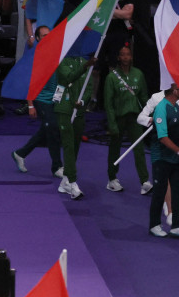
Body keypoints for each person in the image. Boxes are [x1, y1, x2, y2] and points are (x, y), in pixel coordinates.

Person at [11, 27, 63, 177]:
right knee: (52, 128)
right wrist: (30, 105)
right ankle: (57, 167)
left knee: (47, 130)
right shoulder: (35, 57)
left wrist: (59, 98)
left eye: (49, 35)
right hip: (40, 99)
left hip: (54, 99)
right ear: (38, 39)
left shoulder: (57, 54)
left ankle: (20, 154)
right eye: (44, 36)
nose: (47, 37)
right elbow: (30, 82)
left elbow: (60, 79)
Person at [105, 44, 151, 192]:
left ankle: (144, 181)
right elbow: (108, 103)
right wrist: (112, 124)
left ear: (131, 57)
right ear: (118, 57)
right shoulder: (111, 77)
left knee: (138, 148)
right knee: (115, 149)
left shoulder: (138, 74)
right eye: (122, 54)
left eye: (128, 54)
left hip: (135, 118)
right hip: (118, 118)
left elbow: (144, 97)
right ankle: (112, 179)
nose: (125, 57)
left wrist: (150, 116)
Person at [52, 51, 95, 200]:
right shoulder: (62, 61)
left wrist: (82, 102)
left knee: (75, 145)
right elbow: (68, 77)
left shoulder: (83, 61)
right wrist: (85, 66)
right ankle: (72, 181)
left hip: (79, 110)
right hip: (64, 108)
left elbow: (89, 86)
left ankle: (65, 180)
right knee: (69, 145)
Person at [151, 84, 179, 237]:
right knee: (160, 192)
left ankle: (176, 226)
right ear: (175, 91)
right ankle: (154, 225)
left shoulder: (176, 107)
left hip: (175, 159)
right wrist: (178, 150)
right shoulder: (161, 108)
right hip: (161, 157)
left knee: (177, 192)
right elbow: (162, 137)